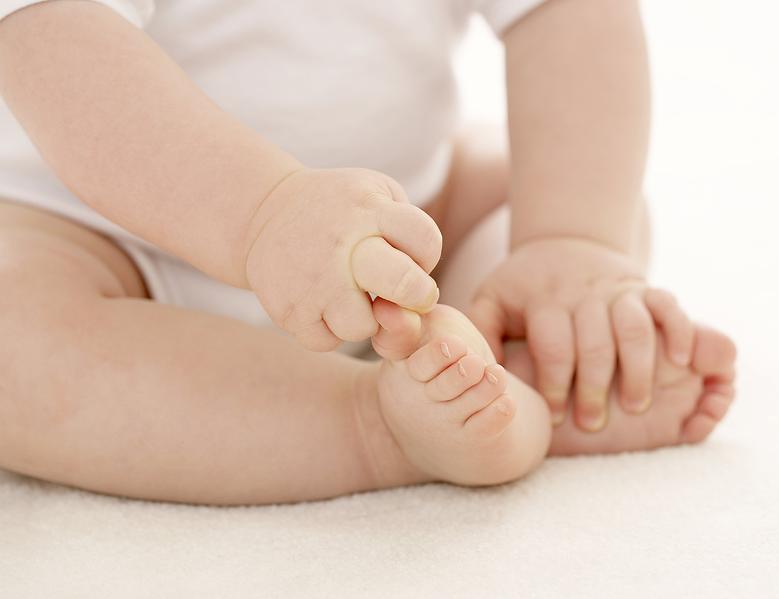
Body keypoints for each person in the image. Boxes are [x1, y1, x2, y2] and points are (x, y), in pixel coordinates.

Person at [0, 0, 736, 504]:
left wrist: (571, 241)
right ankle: (376, 426)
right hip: (100, 235)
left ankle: (494, 355)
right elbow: (59, 41)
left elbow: (564, 15)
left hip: (404, 226)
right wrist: (263, 214)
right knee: (14, 345)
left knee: (553, 197)